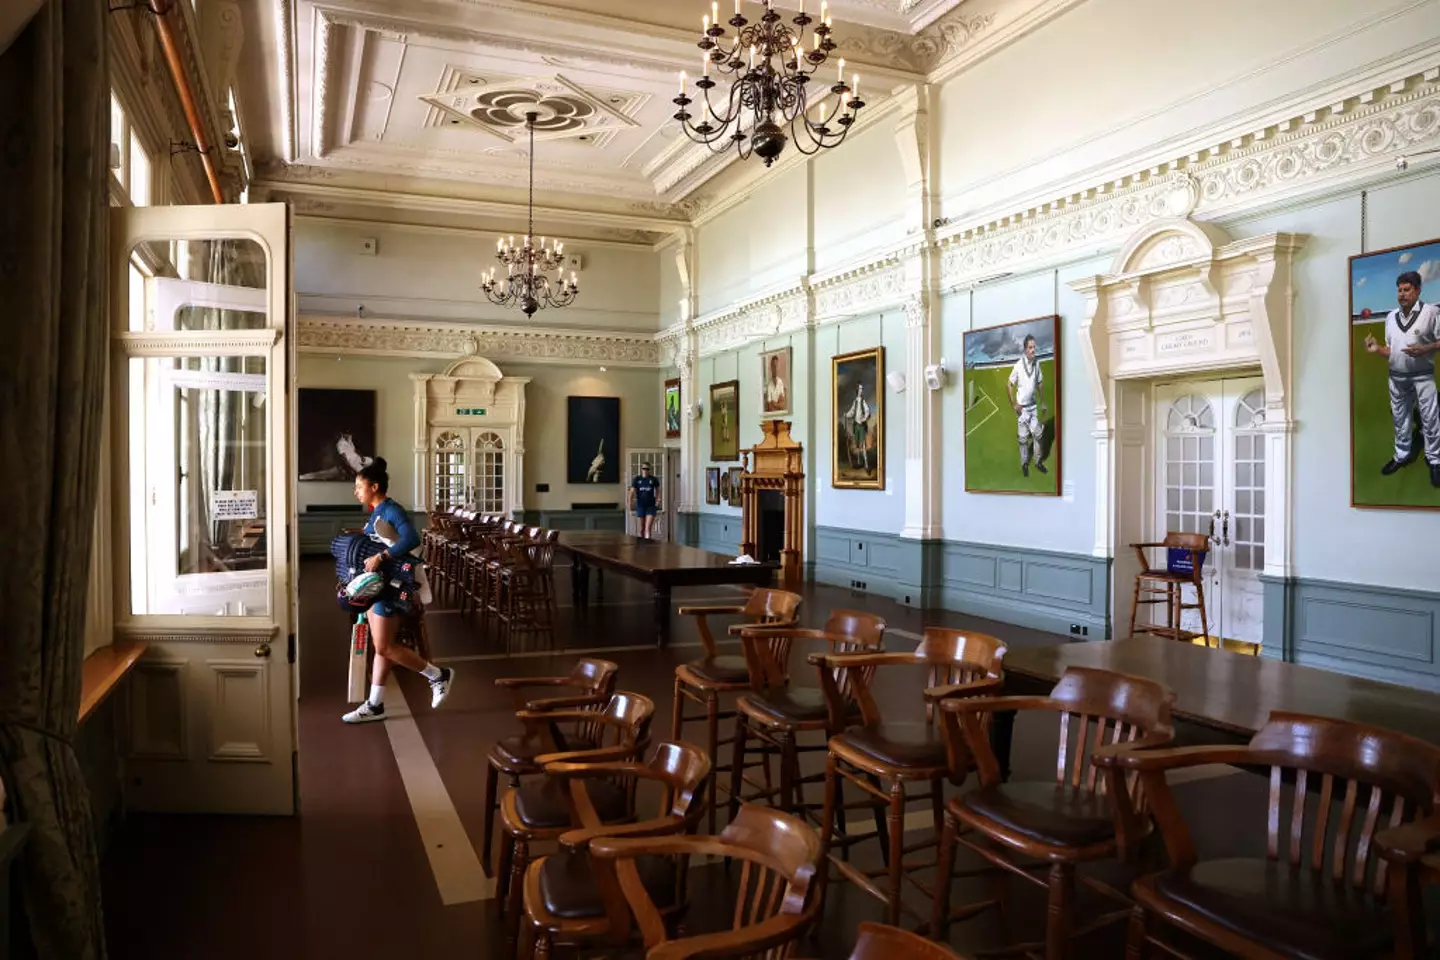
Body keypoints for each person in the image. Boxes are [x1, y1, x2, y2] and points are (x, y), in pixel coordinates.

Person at [342, 457, 455, 724]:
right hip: (376, 586)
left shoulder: (392, 509)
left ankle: (438, 676)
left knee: (386, 646)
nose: (356, 491)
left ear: (375, 486)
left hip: (389, 587)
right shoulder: (377, 511)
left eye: (359, 486)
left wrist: (382, 556)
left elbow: (412, 538)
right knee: (381, 648)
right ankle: (375, 704)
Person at [1366, 270, 1440, 486]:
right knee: (1400, 419)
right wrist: (1377, 349)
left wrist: (1425, 348)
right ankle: (1402, 455)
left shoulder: (1431, 312)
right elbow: (1392, 349)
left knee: (1430, 419)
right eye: (1399, 290)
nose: (1402, 294)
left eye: (1407, 290)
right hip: (1397, 378)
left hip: (1423, 376)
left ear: (1417, 290)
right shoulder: (1390, 317)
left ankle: (1435, 459)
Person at [1007, 334, 1048, 478]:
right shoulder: (1018, 365)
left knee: (1038, 435)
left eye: (1034, 347)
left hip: (1033, 407)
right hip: (1022, 410)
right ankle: (1024, 463)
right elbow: (1009, 384)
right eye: (1030, 347)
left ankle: (1038, 462)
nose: (1033, 350)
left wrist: (1042, 401)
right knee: (1023, 440)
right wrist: (1014, 403)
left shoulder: (1037, 364)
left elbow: (1040, 382)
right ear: (1025, 350)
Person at [629, 463, 662, 539]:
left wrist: (658, 500)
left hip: (651, 506)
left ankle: (648, 546)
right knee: (642, 528)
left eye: (647, 469)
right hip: (641, 505)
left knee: (648, 528)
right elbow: (631, 492)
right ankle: (641, 544)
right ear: (641, 469)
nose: (645, 470)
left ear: (649, 470)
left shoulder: (653, 479)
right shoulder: (637, 479)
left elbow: (658, 490)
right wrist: (630, 503)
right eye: (644, 468)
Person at [844, 382, 871, 470]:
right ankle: (859, 462)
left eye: (862, 389)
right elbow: (852, 412)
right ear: (857, 390)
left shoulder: (863, 401)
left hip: (861, 425)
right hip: (856, 425)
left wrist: (864, 418)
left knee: (863, 444)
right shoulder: (855, 401)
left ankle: (866, 464)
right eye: (860, 388)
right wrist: (846, 415)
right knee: (858, 444)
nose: (861, 390)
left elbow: (867, 410)